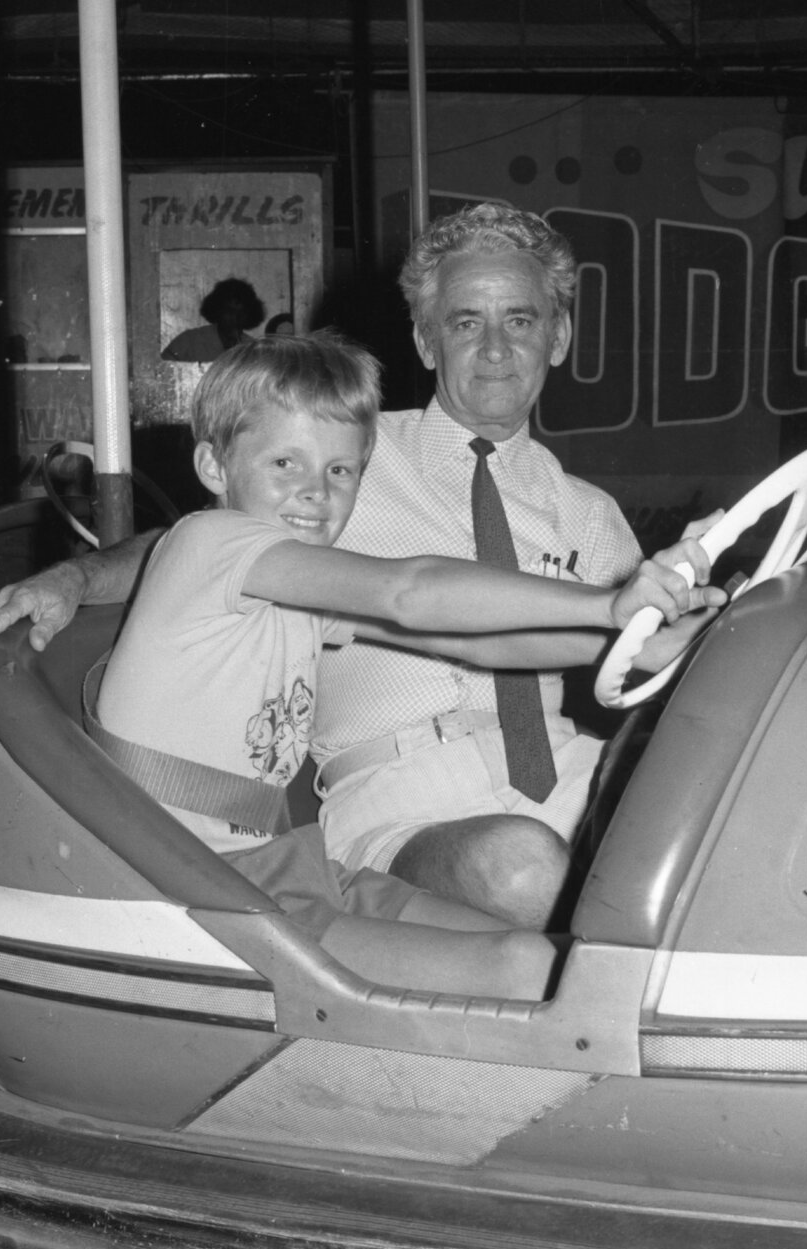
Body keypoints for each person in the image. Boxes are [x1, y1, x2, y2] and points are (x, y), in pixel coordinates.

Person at [0, 204, 719, 929]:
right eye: (465, 322)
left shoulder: (588, 511)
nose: (494, 349)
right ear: (425, 342)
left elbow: (485, 641)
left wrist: (679, 634)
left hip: (560, 768)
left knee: (719, 827)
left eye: (520, 320)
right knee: (527, 872)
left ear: (558, 336)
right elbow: (225, 551)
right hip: (393, 787)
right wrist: (74, 577)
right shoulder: (337, 445)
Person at [76, 330, 719, 1001]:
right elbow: (408, 593)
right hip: (190, 883)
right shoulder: (214, 541)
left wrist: (629, 645)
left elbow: (472, 644)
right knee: (531, 973)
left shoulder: (293, 586)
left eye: (341, 471)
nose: (316, 494)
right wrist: (606, 604)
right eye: (284, 465)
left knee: (540, 956)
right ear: (213, 467)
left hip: (283, 865)